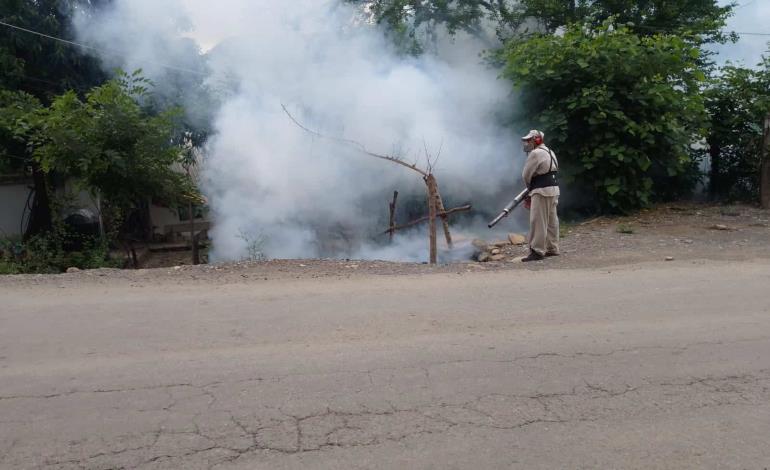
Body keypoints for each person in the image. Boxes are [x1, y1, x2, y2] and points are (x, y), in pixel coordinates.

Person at [520, 130, 560, 262]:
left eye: (530, 139)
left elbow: (526, 175)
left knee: (538, 221)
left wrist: (529, 190)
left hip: (541, 190)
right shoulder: (550, 151)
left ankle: (537, 250)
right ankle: (552, 248)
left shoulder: (535, 153)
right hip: (553, 189)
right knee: (551, 220)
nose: (527, 143)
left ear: (537, 140)